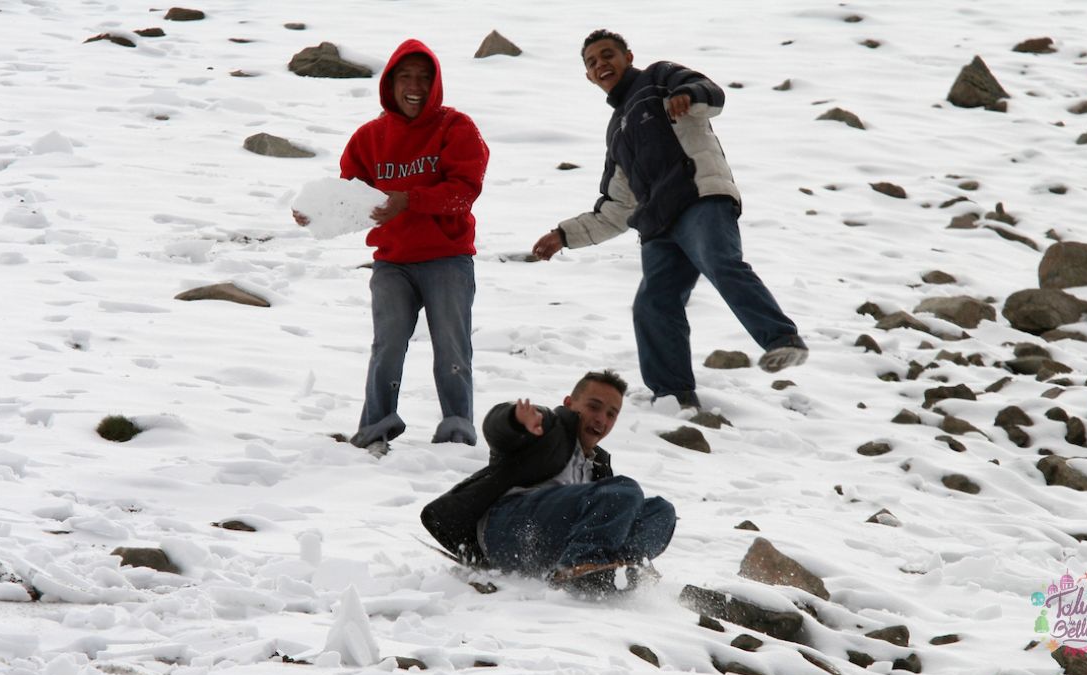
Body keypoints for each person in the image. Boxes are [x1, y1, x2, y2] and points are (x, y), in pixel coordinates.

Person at [532, 30, 807, 410]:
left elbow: (709, 93)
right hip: (658, 227)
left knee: (720, 262)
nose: (601, 65)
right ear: (589, 77)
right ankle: (673, 395)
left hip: (699, 199)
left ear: (628, 56)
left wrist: (688, 96)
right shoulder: (616, 133)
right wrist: (564, 235)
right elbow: (615, 207)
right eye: (592, 63)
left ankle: (782, 340)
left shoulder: (659, 78)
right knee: (653, 304)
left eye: (607, 55)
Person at [294, 39, 490, 455]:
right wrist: (318, 215)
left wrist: (409, 199)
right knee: (388, 345)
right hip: (392, 263)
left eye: (424, 76)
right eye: (405, 76)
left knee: (452, 347)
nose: (414, 86)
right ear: (390, 84)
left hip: (448, 258)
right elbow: (353, 200)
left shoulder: (457, 128)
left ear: (435, 84)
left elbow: (464, 191)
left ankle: (457, 431)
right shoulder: (368, 138)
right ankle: (374, 429)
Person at [420, 370, 676, 595]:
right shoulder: (548, 429)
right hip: (506, 529)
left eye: (611, 414)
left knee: (661, 510)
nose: (602, 419)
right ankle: (582, 564)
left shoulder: (598, 468)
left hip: (548, 545)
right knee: (624, 491)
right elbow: (498, 428)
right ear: (569, 403)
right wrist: (516, 420)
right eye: (594, 407)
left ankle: (619, 568)